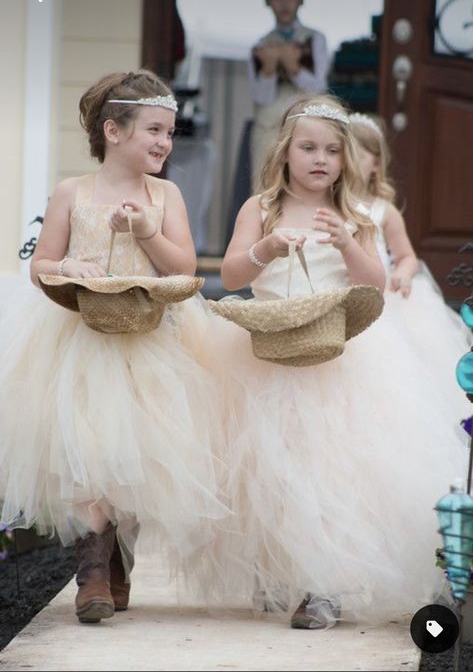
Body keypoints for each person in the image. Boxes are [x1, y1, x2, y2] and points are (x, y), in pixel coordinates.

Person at [190, 94, 469, 629]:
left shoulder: (354, 215)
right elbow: (230, 277)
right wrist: (265, 249)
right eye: (309, 147)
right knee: (267, 466)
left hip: (339, 357)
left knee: (331, 470)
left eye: (333, 151)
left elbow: (376, 285)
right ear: (286, 151)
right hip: (268, 352)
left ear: (345, 160)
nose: (321, 159)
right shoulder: (260, 209)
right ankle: (273, 569)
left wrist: (347, 244)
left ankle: (325, 584)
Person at [0, 69, 228, 624]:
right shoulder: (72, 192)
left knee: (139, 456)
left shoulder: (165, 194)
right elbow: (41, 266)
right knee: (86, 449)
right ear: (114, 130)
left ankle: (119, 557)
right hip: (82, 340)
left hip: (149, 340)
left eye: (170, 134)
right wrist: (66, 266)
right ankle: (92, 570)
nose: (164, 143)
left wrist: (149, 230)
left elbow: (183, 267)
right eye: (154, 130)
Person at [349, 111, 471, 410]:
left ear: (376, 165)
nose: (350, 163)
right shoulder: (327, 203)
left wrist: (403, 273)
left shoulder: (383, 211)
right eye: (344, 153)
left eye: (359, 155)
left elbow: (405, 256)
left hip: (382, 295)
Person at [248, 0, 329, 189]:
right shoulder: (261, 45)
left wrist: (292, 65)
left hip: (304, 121)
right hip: (269, 127)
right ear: (268, 1)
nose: (284, 4)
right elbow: (260, 97)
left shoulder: (314, 39)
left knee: (302, 184)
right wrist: (269, 67)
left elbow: (318, 87)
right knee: (265, 184)